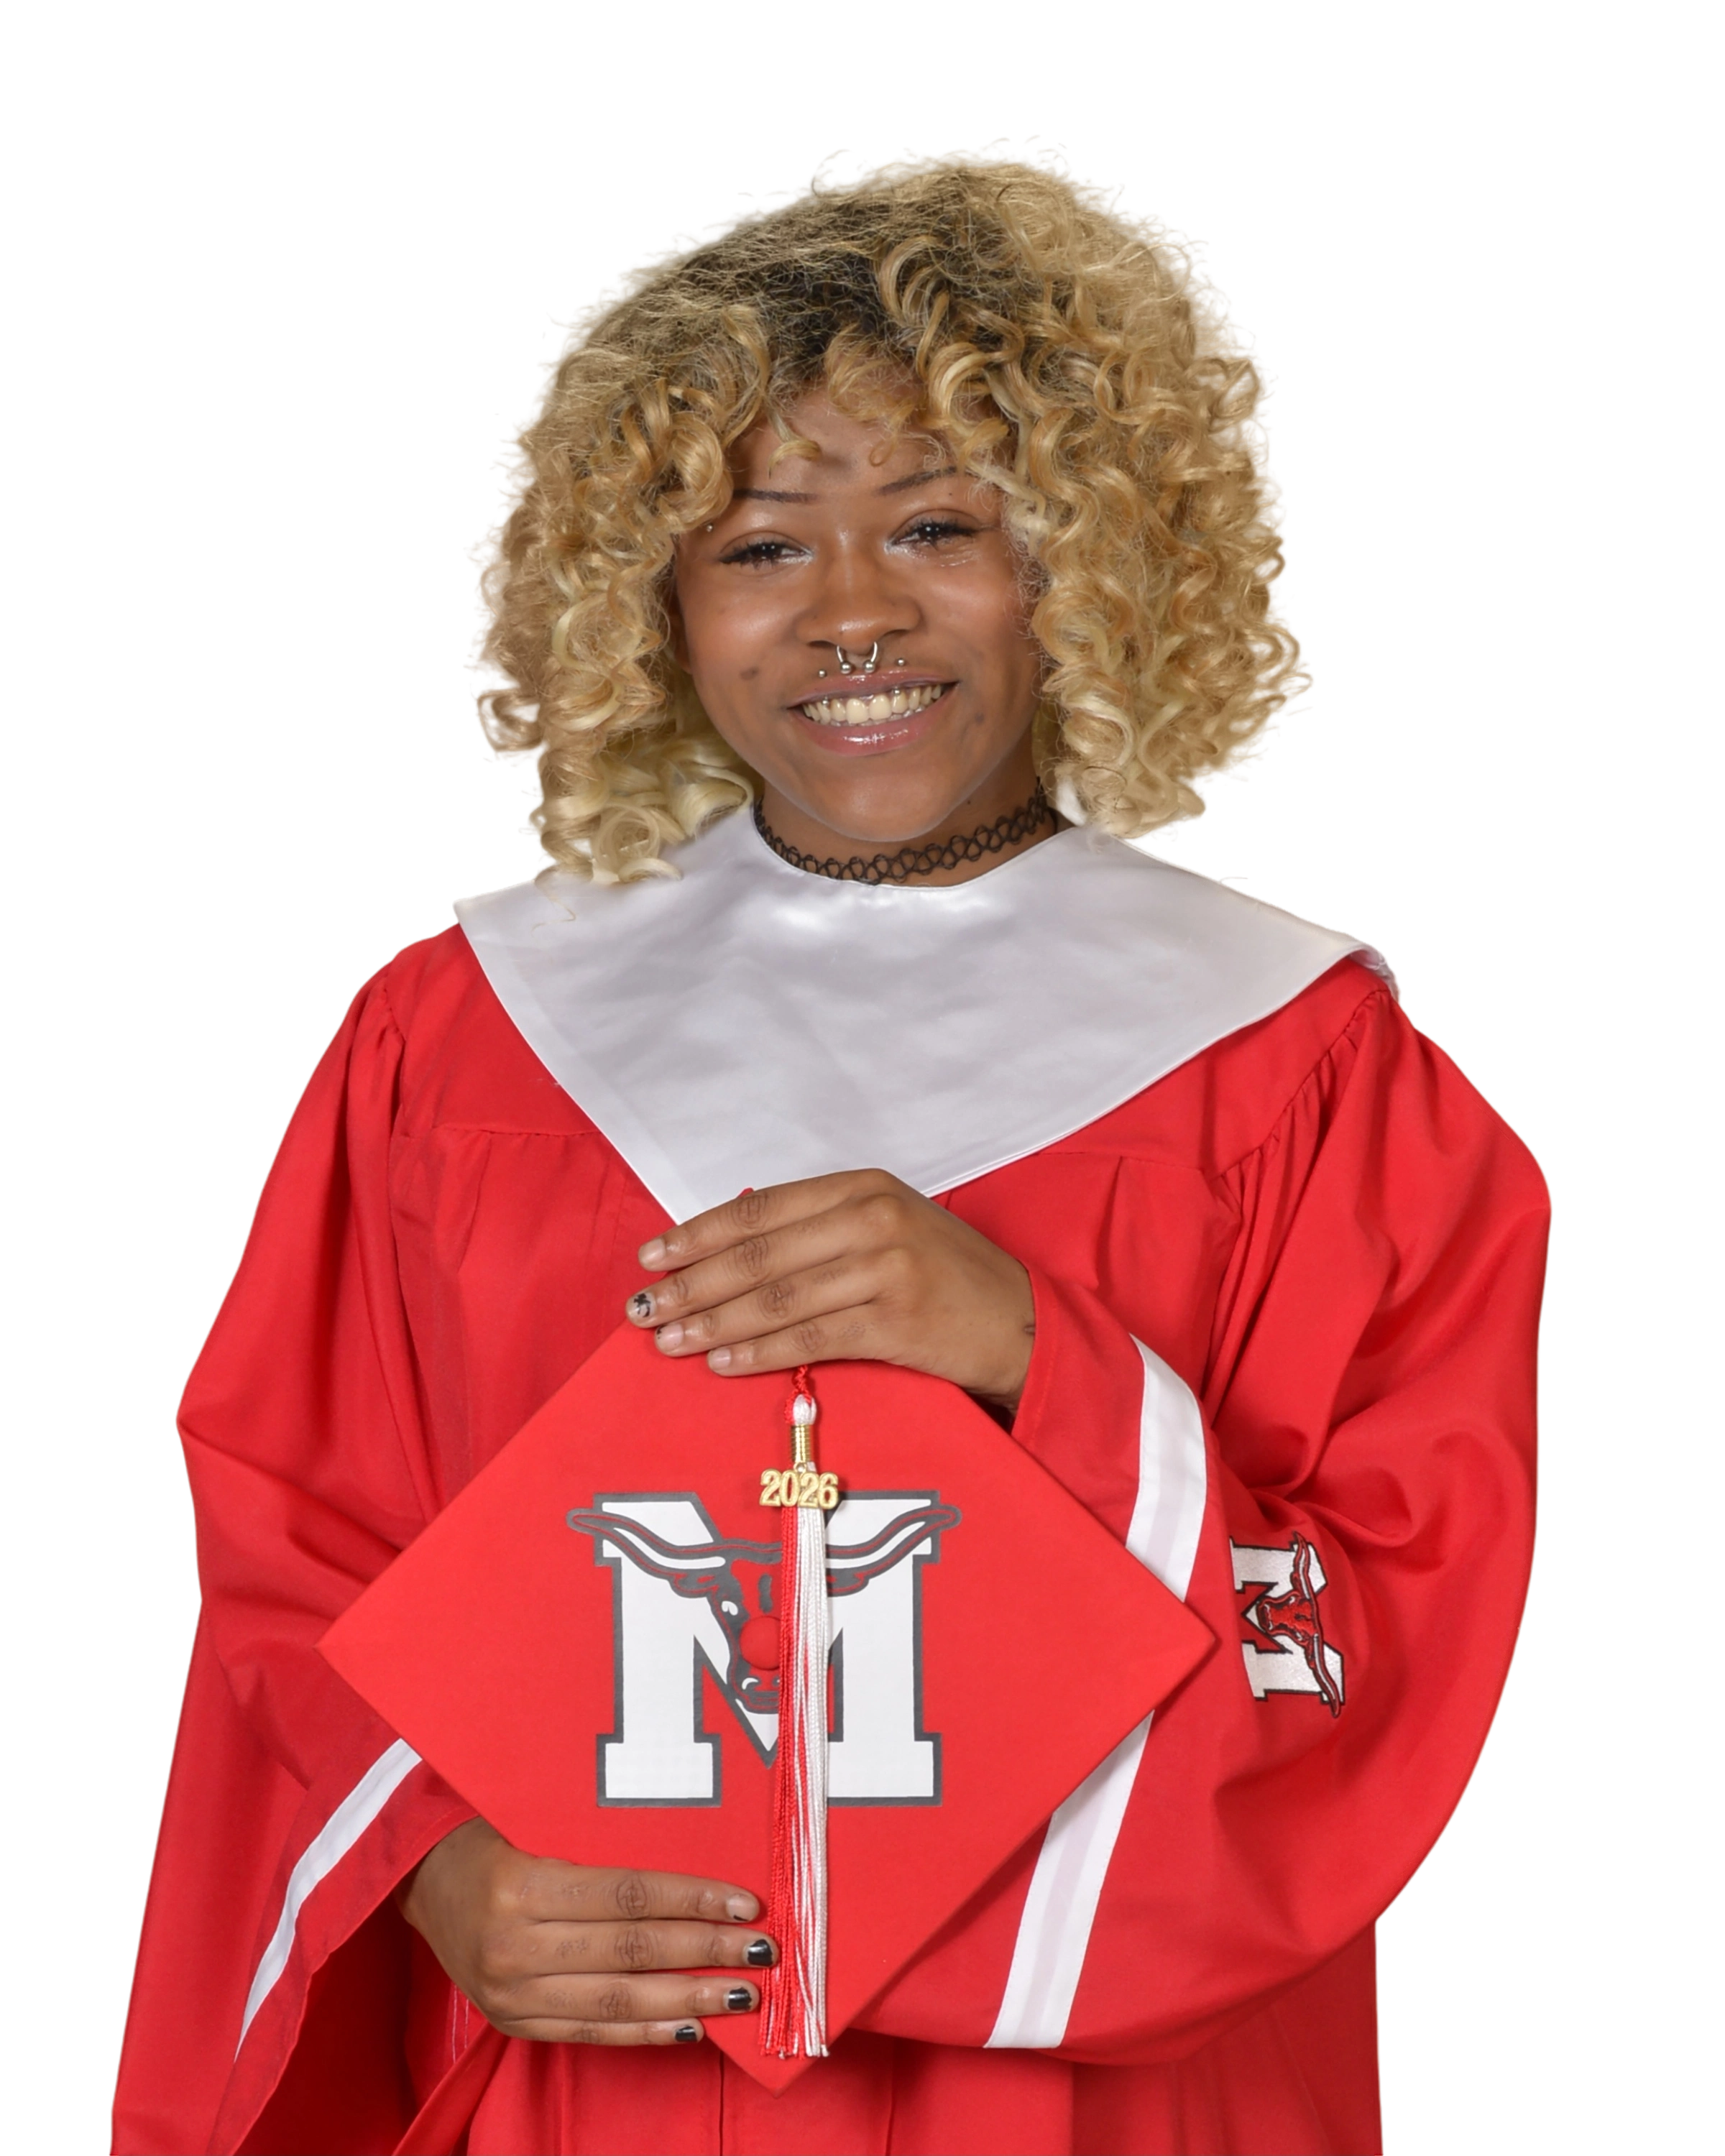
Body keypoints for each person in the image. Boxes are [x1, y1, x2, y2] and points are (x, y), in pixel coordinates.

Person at [111, 136, 1550, 2156]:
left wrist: (1035, 1355)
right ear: (653, 602)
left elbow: (1396, 1617)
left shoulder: (1302, 1068)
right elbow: (296, 1540)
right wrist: (434, 1866)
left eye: (940, 524)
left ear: (1088, 564)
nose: (855, 614)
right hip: (599, 2072)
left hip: (1094, 2105)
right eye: (763, 546)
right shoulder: (461, 1039)